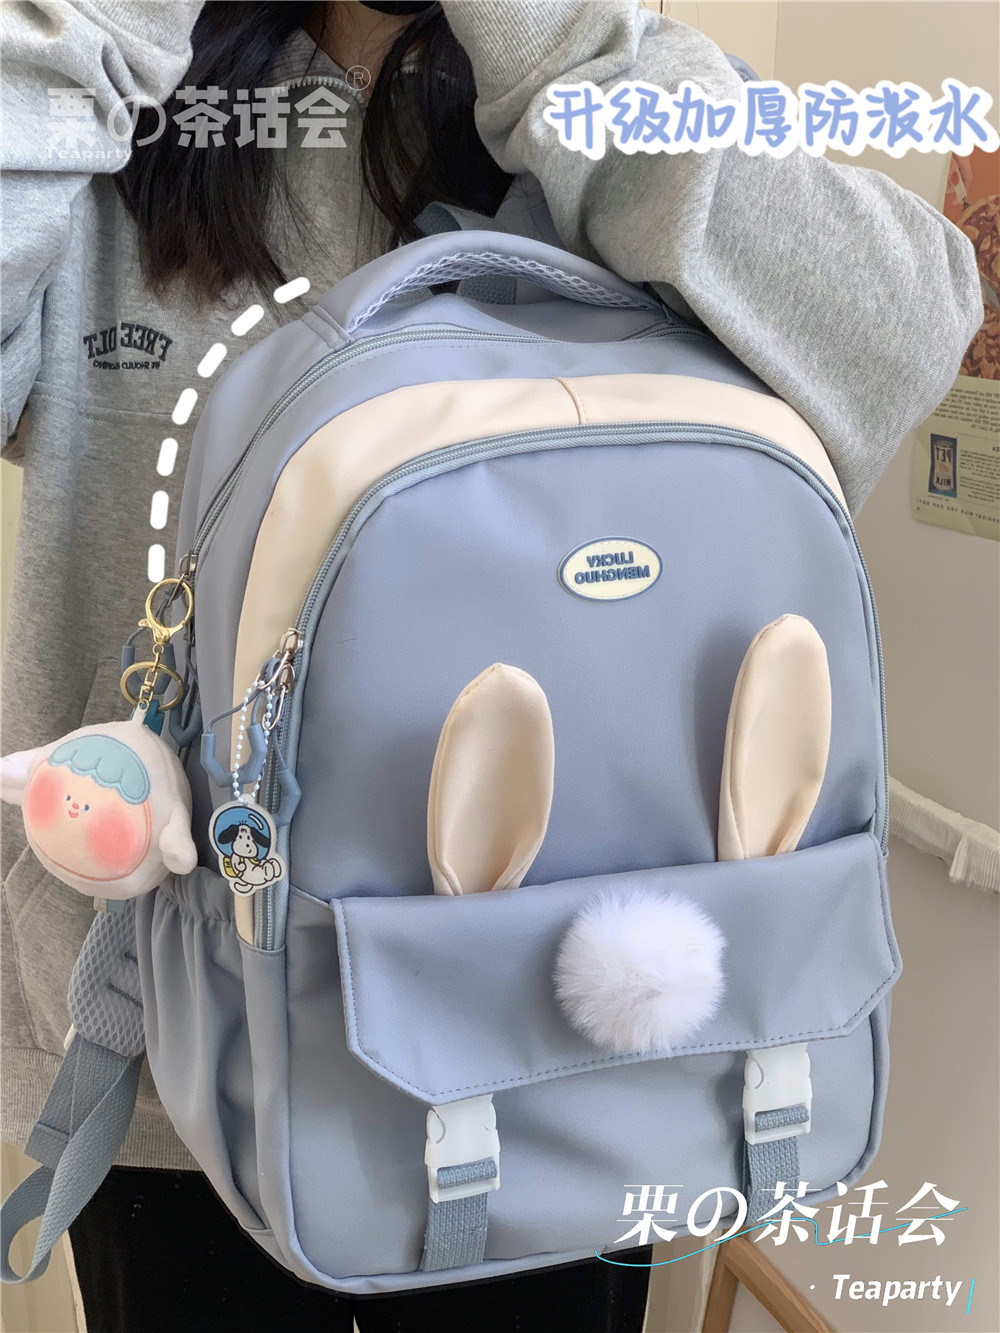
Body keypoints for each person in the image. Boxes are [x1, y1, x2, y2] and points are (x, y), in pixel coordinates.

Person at [0, 1, 982, 1329]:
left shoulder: (602, 80)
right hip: (172, 1062)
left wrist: (562, 47)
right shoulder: (120, 104)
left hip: (577, 1056)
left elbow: (907, 321)